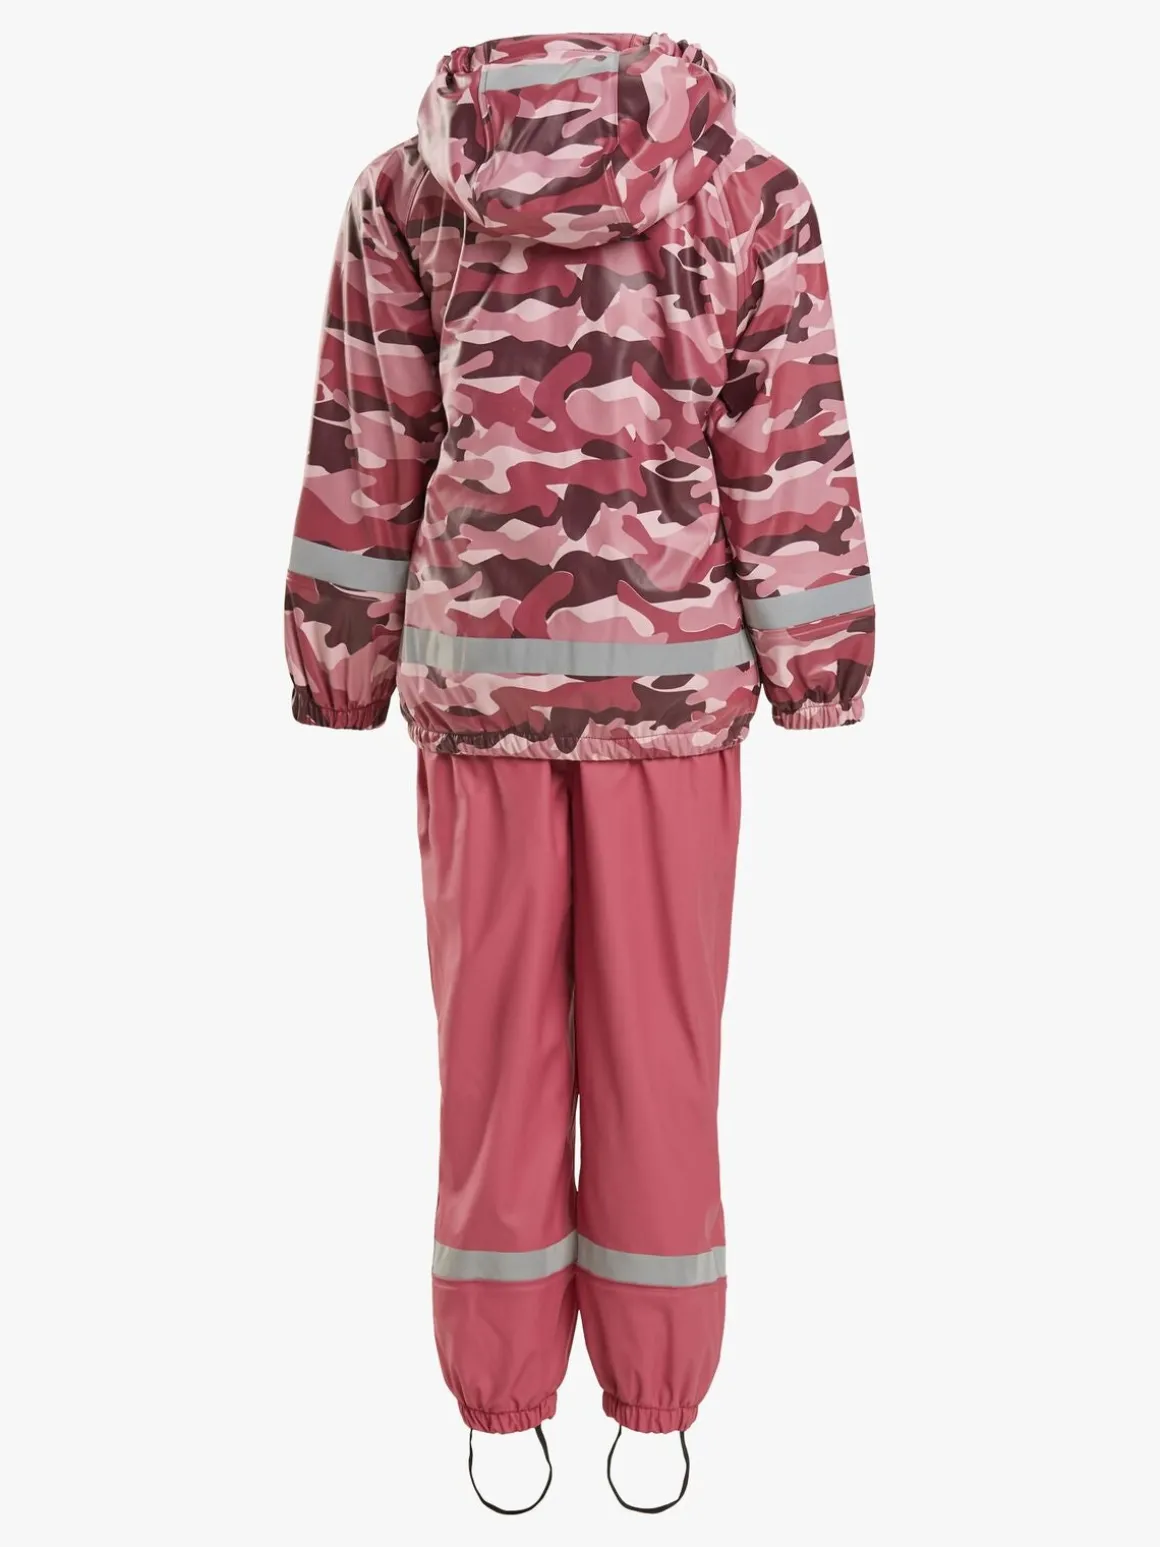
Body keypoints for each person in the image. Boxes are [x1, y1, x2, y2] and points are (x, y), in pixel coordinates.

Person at [284, 31, 874, 1513]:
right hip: (670, 703)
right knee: (659, 1050)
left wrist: (341, 663)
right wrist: (818, 663)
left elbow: (370, 444)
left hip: (478, 695)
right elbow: (786, 453)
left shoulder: (407, 195)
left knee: (492, 1057)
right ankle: (656, 1408)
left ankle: (501, 1410)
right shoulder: (749, 196)